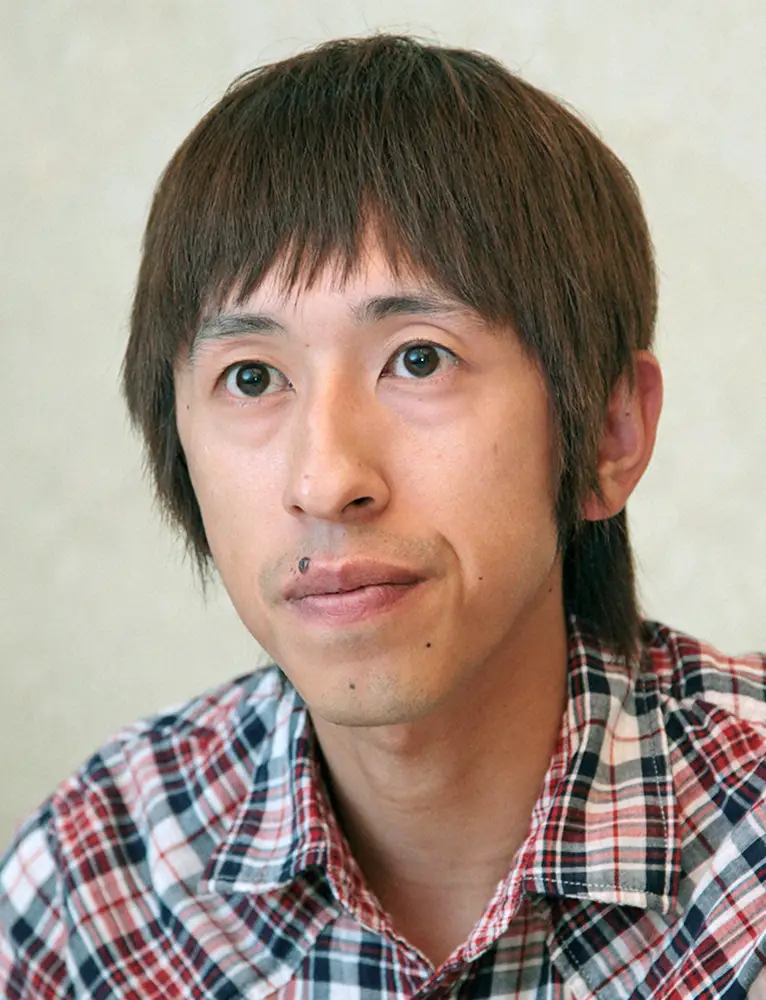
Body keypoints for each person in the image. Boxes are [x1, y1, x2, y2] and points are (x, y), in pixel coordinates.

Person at [1, 33, 764, 999]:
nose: (326, 481)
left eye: (418, 359)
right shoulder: (91, 888)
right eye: (251, 377)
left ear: (612, 432)